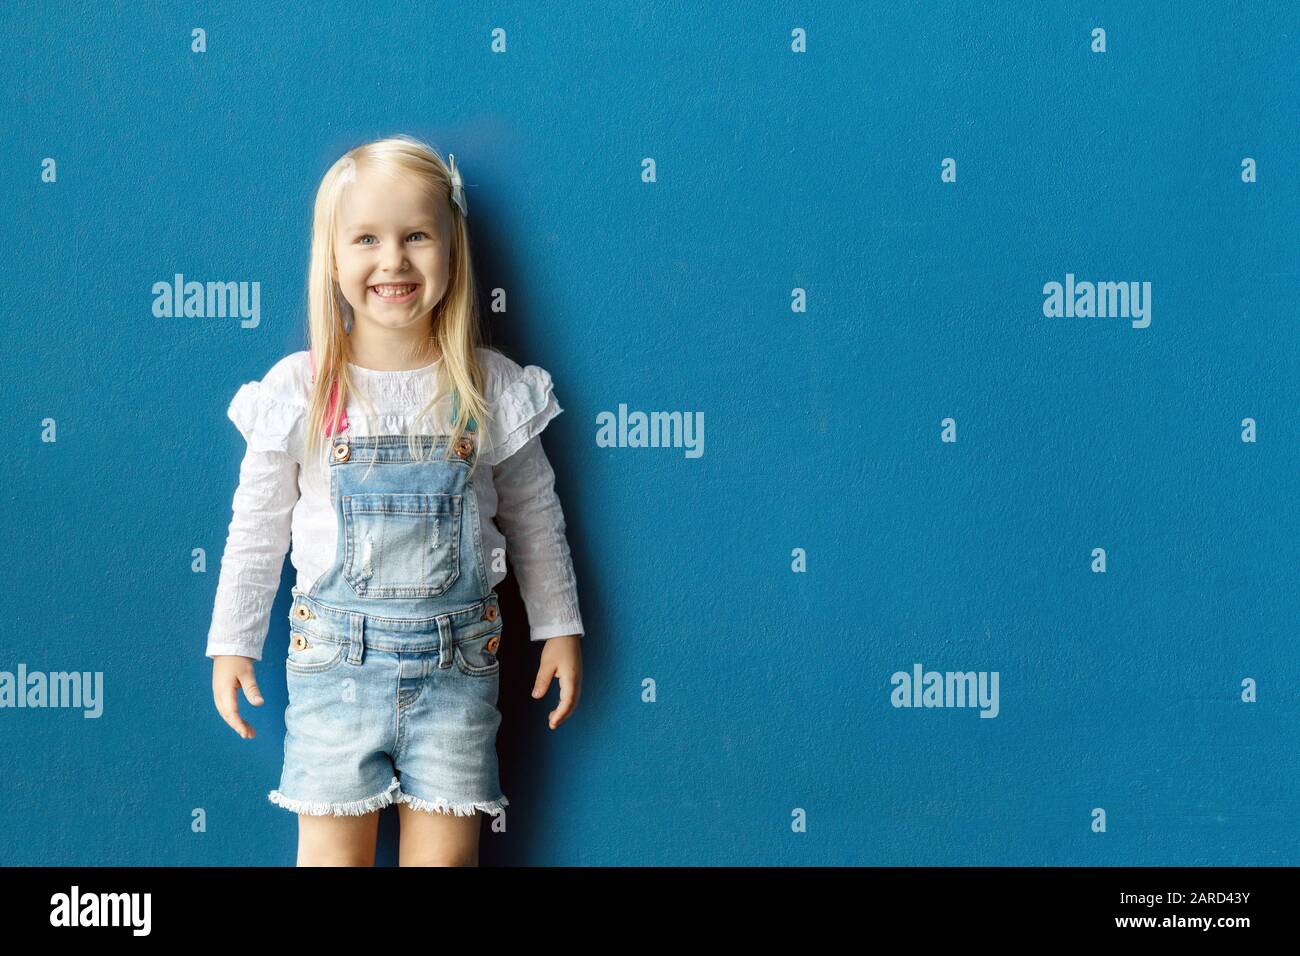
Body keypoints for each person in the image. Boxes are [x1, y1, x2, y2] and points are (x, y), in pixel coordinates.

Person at [206, 135, 584, 866]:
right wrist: (233, 640)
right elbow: (257, 529)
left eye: (417, 236)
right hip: (333, 671)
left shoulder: (491, 386)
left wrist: (559, 623)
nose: (393, 261)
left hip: (458, 675)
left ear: (452, 248)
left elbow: (537, 514)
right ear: (335, 257)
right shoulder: (301, 389)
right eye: (368, 239)